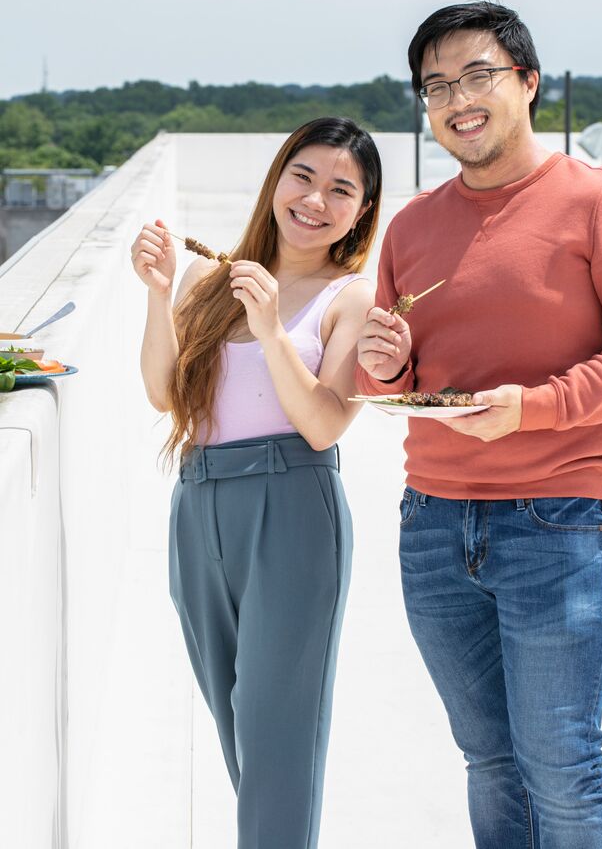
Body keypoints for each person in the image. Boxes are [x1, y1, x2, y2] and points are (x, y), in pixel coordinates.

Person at [356, 1, 602, 848]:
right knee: (490, 764)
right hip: (433, 524)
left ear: (528, 82)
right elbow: (398, 371)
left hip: (558, 522)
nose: (456, 99)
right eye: (436, 85)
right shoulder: (409, 226)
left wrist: (536, 408)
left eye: (477, 76)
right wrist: (388, 363)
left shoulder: (601, 204)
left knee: (562, 767)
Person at [131, 117, 381, 849]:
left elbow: (325, 424)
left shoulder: (350, 298)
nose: (315, 200)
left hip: (292, 508)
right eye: (303, 176)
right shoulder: (209, 277)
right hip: (196, 502)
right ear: (277, 178)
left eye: (342, 189)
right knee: (240, 726)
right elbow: (164, 395)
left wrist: (272, 329)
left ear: (361, 211)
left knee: (277, 730)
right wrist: (155, 293)